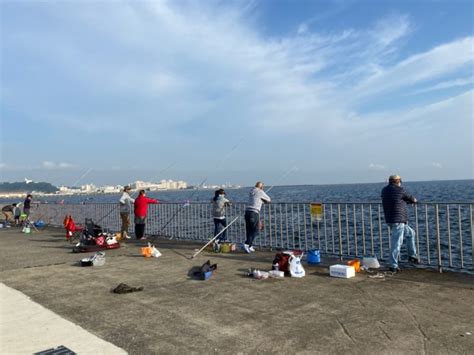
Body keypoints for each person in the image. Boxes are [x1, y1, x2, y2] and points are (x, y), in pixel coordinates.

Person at [381, 175, 419, 273]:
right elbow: (411, 198)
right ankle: (393, 265)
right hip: (398, 220)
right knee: (396, 243)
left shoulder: (384, 190)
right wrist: (413, 201)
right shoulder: (400, 190)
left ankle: (412, 255)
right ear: (398, 181)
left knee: (411, 233)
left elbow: (396, 199)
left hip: (390, 219)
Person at [243, 181, 271, 253]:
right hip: (254, 213)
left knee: (249, 230)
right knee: (256, 229)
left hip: (247, 212)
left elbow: (256, 198)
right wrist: (264, 199)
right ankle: (246, 244)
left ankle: (250, 246)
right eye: (262, 187)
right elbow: (269, 200)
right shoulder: (260, 192)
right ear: (261, 187)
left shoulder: (251, 191)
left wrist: (261, 200)